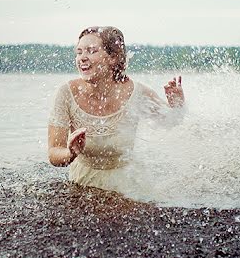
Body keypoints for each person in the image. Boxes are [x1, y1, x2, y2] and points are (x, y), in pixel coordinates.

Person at [47, 26, 185, 191]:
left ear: (112, 57)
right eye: (79, 52)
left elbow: (171, 122)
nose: (82, 58)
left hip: (130, 186)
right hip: (82, 183)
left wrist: (177, 104)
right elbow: (54, 153)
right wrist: (70, 154)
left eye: (91, 51)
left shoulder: (137, 92)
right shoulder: (66, 93)